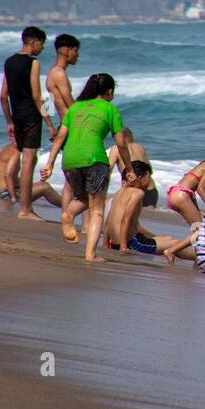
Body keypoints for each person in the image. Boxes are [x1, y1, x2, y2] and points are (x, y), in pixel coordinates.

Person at [40, 73, 135, 262]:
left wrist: (49, 164)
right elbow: (121, 144)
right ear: (109, 91)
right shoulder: (110, 109)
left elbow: (60, 137)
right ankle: (90, 254)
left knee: (84, 198)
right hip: (95, 159)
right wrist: (129, 169)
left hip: (69, 160)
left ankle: (69, 213)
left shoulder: (75, 108)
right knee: (97, 209)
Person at [0, 25, 56, 221]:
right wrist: (49, 122)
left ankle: (24, 208)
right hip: (32, 117)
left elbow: (3, 96)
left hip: (17, 118)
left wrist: (9, 122)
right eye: (42, 44)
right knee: (28, 164)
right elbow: (37, 96)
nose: (42, 48)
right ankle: (25, 210)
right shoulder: (33, 62)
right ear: (34, 42)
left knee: (25, 161)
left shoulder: (9, 62)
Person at [104, 161, 192, 259]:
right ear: (140, 178)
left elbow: (108, 221)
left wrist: (105, 244)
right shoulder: (137, 193)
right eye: (148, 177)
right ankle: (201, 258)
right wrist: (123, 247)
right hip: (132, 244)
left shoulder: (119, 192)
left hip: (115, 243)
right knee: (175, 244)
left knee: (170, 239)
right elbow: (126, 220)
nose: (150, 181)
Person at [44, 32, 83, 220]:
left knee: (70, 178)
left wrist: (52, 127)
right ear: (67, 51)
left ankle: (67, 215)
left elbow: (47, 104)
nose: (77, 55)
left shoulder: (52, 72)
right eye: (76, 51)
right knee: (76, 177)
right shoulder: (59, 73)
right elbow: (70, 104)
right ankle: (68, 216)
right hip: (71, 127)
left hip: (63, 126)